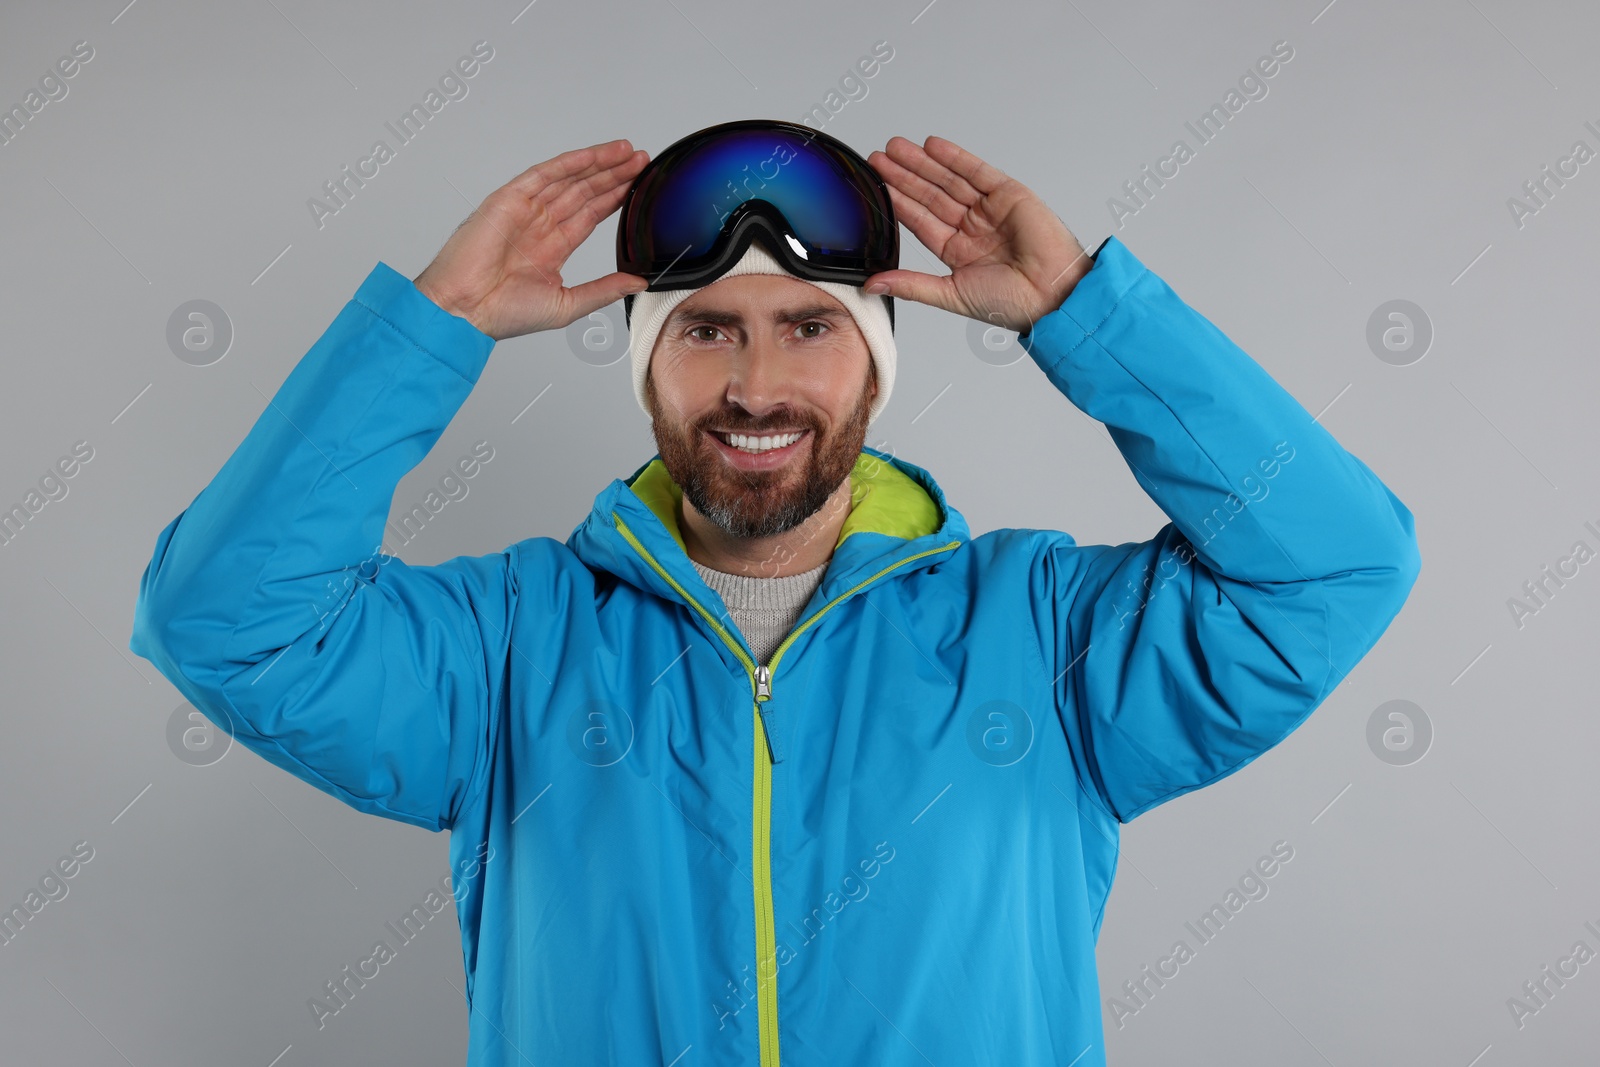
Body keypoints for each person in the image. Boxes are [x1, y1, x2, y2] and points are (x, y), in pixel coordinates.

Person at [130, 120, 1421, 1066]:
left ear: (874, 368)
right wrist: (437, 321)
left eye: (811, 327)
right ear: (647, 364)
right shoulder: (508, 651)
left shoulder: (1041, 641)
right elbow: (223, 620)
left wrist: (1089, 316)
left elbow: (1334, 564)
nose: (757, 386)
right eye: (706, 330)